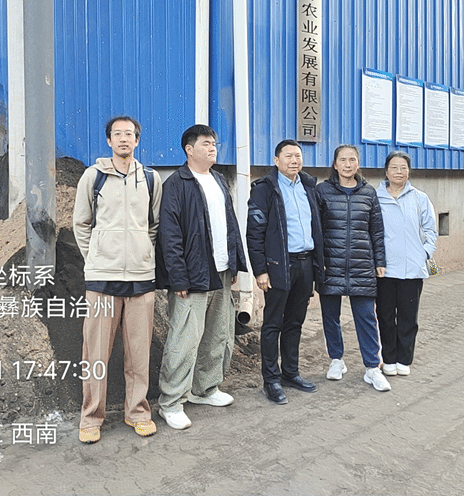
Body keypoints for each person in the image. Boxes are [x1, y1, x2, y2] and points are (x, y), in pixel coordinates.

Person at [72, 115, 163, 444]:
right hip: (102, 279)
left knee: (138, 353)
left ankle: (137, 412)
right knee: (95, 354)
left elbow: (153, 226)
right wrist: (96, 257)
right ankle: (91, 417)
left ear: (137, 140)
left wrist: (141, 254)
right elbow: (81, 224)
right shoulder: (92, 176)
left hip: (141, 277)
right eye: (117, 134)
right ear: (109, 140)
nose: (124, 139)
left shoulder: (151, 178)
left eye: (129, 134)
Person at [156, 124, 248, 430]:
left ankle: (204, 389)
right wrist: (178, 277)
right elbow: (169, 236)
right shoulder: (177, 184)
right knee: (184, 339)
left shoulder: (219, 180)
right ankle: (171, 402)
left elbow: (230, 224)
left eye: (214, 144)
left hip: (221, 271)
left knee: (218, 334)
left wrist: (235, 263)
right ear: (189, 149)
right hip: (192, 275)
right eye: (206, 144)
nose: (212, 148)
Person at [246, 139, 323, 404]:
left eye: (298, 155)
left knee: (295, 322)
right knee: (273, 324)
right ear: (276, 160)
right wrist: (260, 270)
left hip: (305, 264)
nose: (294, 160)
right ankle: (271, 380)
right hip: (279, 265)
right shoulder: (265, 189)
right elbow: (254, 233)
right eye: (288, 156)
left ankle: (291, 373)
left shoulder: (309, 187)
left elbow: (317, 228)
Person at [315, 144, 390, 392]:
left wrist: (380, 261)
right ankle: (336, 360)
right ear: (335, 164)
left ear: (358, 163)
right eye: (343, 160)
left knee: (366, 317)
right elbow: (317, 230)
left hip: (362, 264)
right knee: (330, 317)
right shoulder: (322, 191)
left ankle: (372, 367)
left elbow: (376, 230)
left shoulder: (369, 193)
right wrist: (318, 262)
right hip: (331, 264)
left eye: (352, 160)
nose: (348, 165)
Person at [375, 150, 437, 377]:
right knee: (385, 316)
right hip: (384, 268)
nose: (399, 172)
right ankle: (388, 359)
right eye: (394, 167)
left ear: (409, 171)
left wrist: (424, 253)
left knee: (408, 317)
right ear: (386, 171)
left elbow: (431, 230)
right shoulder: (375, 198)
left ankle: (404, 359)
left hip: (412, 269)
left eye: (403, 167)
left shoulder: (420, 198)